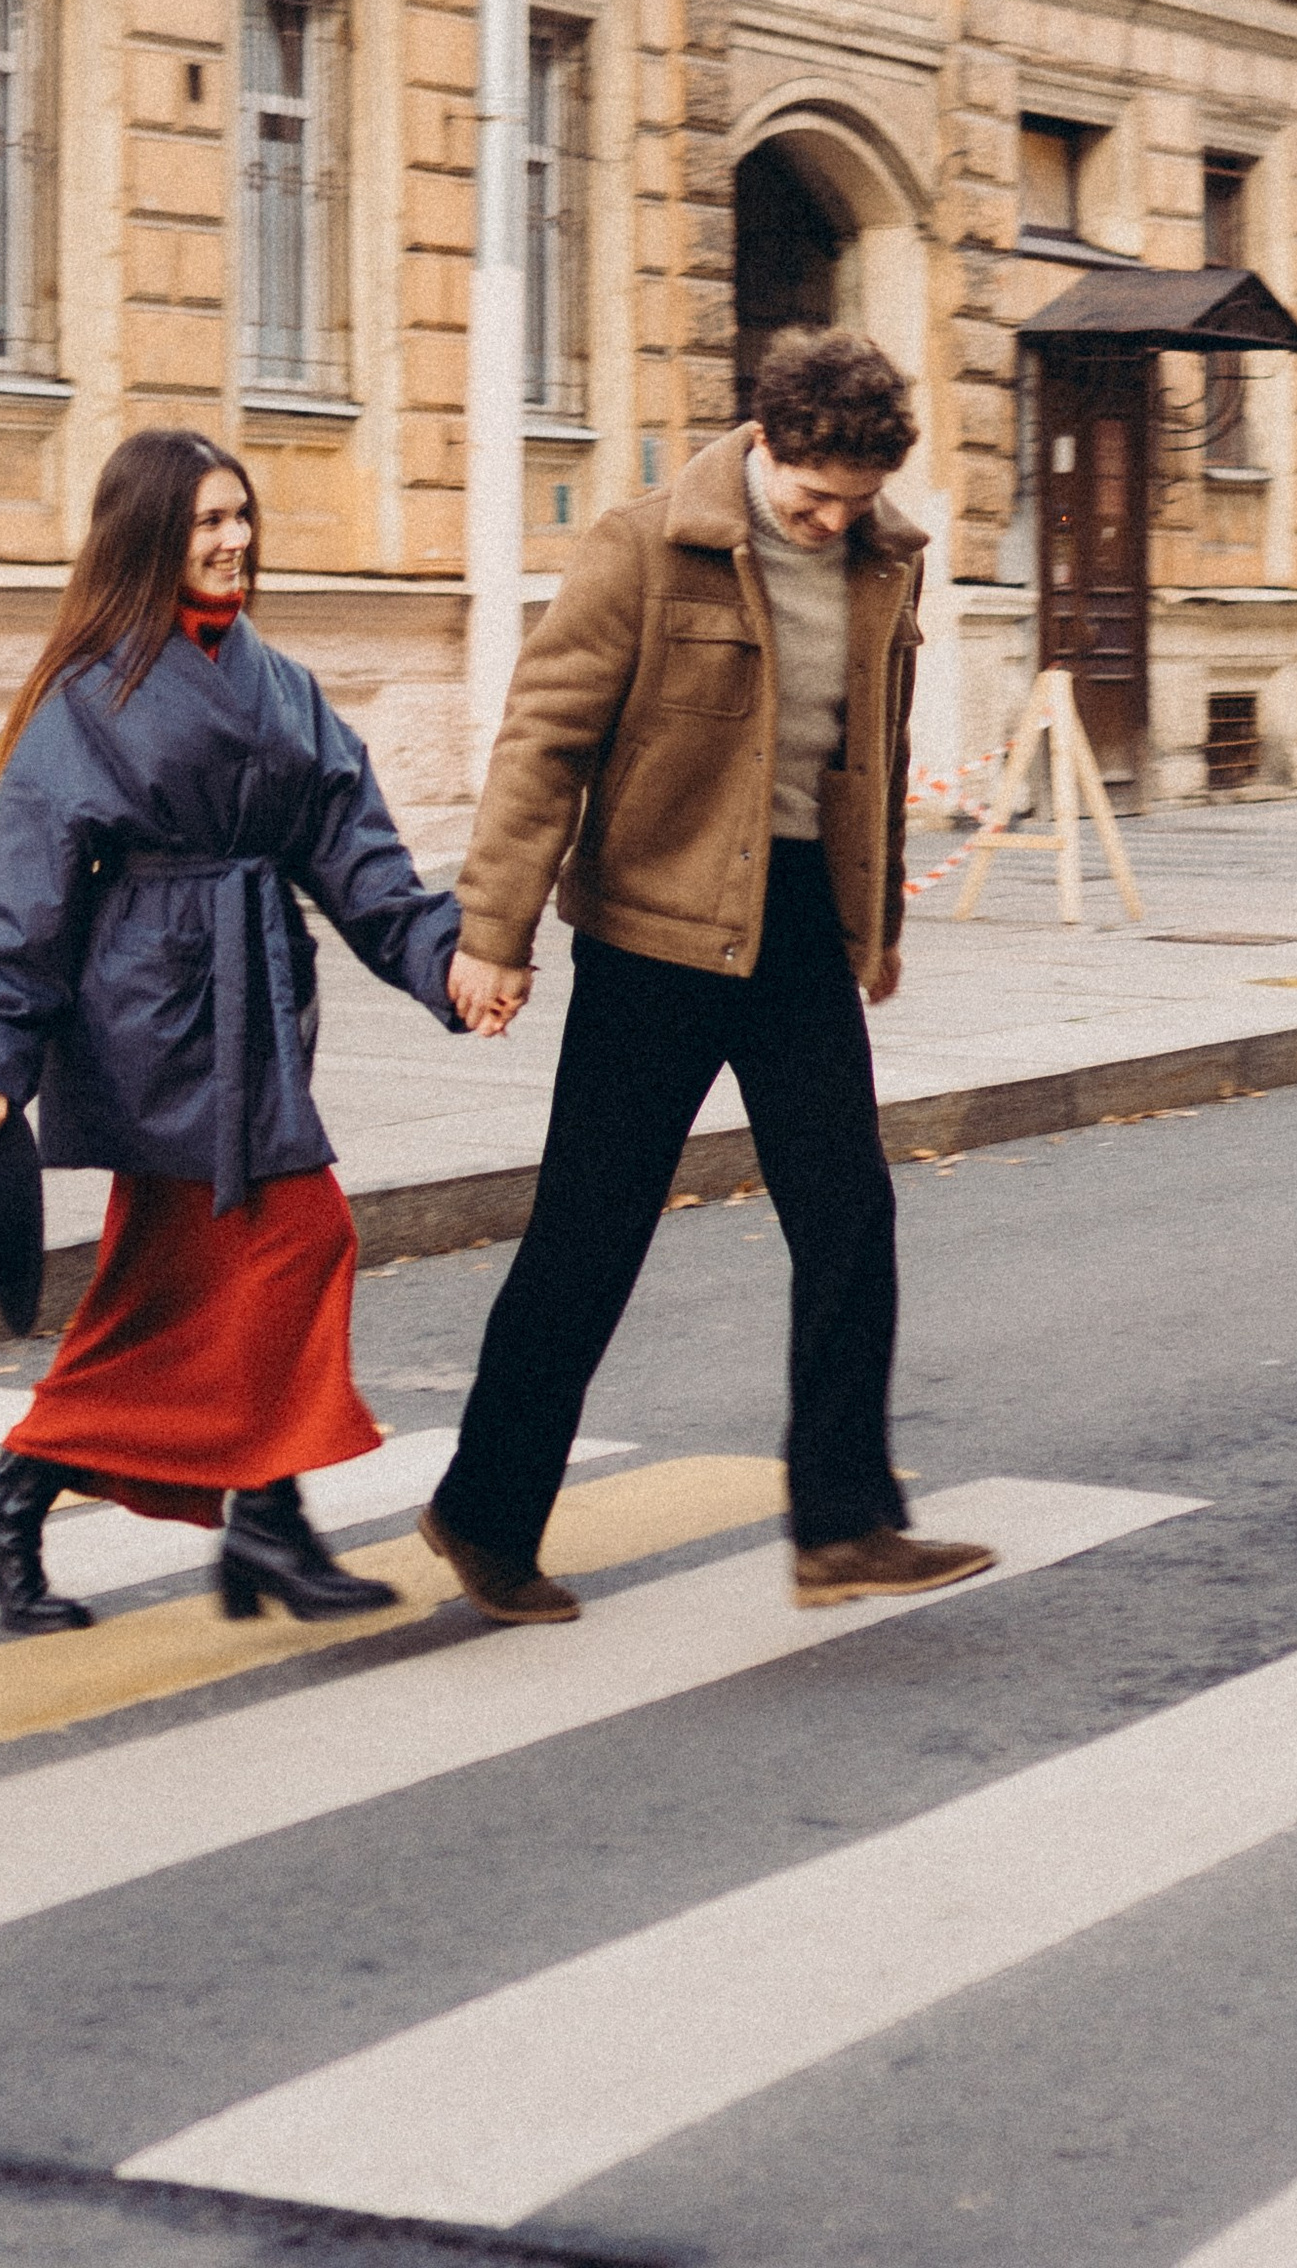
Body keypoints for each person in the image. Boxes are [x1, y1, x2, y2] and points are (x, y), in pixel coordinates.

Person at [423, 328, 996, 1624]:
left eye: (852, 503)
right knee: (589, 1236)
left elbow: (873, 751)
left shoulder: (881, 561)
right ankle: (483, 1513)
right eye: (811, 497)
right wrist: (493, 935)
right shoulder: (644, 547)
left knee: (849, 1219)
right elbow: (543, 743)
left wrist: (874, 930)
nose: (829, 519)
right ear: (766, 444)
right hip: (651, 934)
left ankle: (844, 1524)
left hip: (794, 927)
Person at [0, 428, 495, 1634]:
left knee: (170, 1291)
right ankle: (262, 1520)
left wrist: (445, 965)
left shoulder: (280, 682)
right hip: (150, 1018)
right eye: (207, 524)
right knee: (299, 1239)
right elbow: (25, 886)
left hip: (254, 1011)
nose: (235, 541)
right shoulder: (90, 694)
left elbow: (359, 857)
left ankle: (18, 1503)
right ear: (150, 540)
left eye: (242, 518)